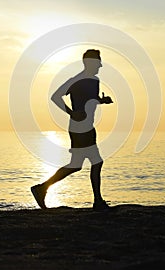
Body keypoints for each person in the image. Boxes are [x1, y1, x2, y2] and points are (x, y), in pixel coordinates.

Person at [31, 49, 113, 211]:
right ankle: (97, 202)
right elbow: (55, 96)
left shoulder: (95, 81)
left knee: (76, 165)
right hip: (79, 127)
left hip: (88, 126)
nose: (101, 66)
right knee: (96, 162)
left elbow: (88, 100)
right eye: (98, 62)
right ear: (89, 63)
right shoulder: (76, 80)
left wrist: (101, 100)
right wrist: (71, 112)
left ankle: (41, 188)